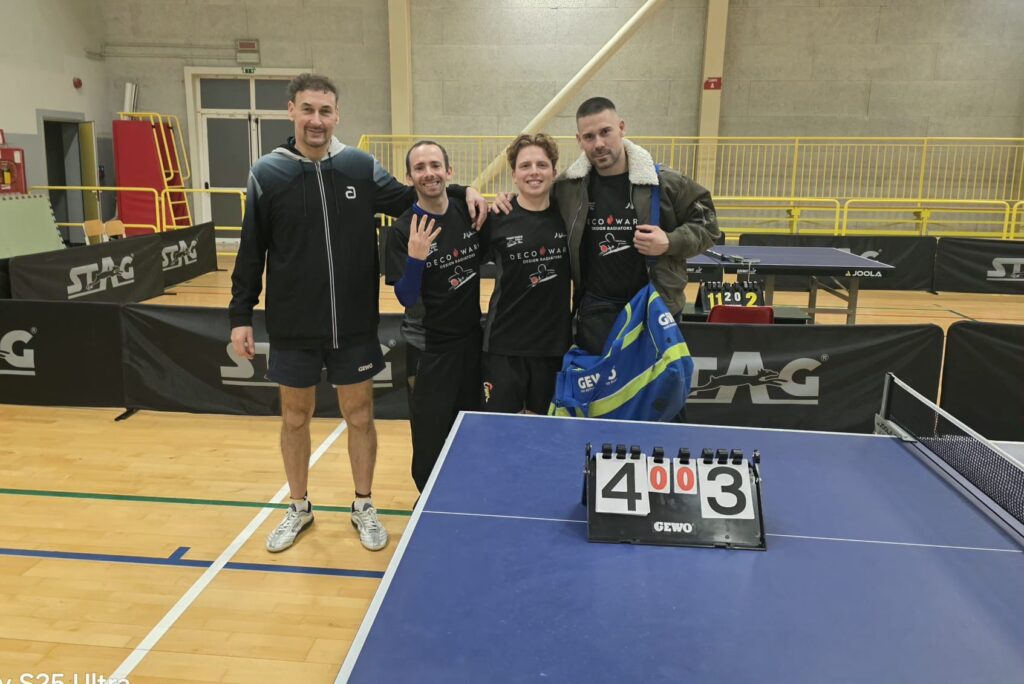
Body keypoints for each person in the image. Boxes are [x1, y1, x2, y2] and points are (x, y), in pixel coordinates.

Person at [229, 74, 486, 553]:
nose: (317, 120)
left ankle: (363, 505)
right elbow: (251, 248)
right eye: (308, 109)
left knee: (360, 415)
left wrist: (464, 190)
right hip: (292, 325)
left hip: (353, 324)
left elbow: (416, 194)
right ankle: (298, 507)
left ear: (337, 115)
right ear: (291, 111)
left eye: (325, 111)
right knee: (295, 417)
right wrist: (240, 313)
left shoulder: (359, 166)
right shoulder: (267, 173)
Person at [494, 98, 720, 355]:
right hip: (595, 314)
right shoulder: (568, 188)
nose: (599, 144)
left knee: (654, 383)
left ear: (621, 128)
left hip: (655, 309)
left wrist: (670, 242)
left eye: (605, 132)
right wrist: (507, 199)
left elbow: (709, 226)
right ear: (579, 140)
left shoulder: (665, 183)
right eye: (589, 137)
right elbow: (535, 199)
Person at [384, 141, 483, 491]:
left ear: (449, 171)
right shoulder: (402, 230)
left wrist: (472, 191)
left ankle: (467, 493)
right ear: (408, 177)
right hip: (429, 350)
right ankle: (427, 499)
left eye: (435, 165)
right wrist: (416, 259)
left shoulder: (466, 211)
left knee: (470, 427)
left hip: (471, 343)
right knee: (430, 435)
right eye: (420, 168)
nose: (429, 173)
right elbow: (405, 297)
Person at [478, 133, 571, 414]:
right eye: (525, 166)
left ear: (554, 172)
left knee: (547, 432)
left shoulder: (569, 216)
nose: (534, 172)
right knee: (501, 431)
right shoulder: (496, 218)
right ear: (514, 175)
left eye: (542, 165)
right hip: (504, 345)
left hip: (553, 347)